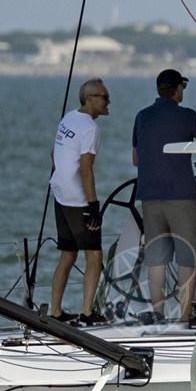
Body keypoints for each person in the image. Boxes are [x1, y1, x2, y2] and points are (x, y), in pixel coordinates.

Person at [131, 68, 196, 325]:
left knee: (156, 260)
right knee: (187, 258)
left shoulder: (142, 116)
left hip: (149, 198)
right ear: (178, 89)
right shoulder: (188, 116)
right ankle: (183, 319)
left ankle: (158, 315)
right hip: (181, 197)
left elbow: (136, 159)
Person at [48, 77, 111, 321]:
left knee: (68, 254)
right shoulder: (90, 128)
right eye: (105, 98)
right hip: (76, 200)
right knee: (94, 255)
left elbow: (53, 154)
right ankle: (87, 313)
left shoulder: (69, 118)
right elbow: (86, 168)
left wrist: (63, 179)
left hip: (60, 193)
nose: (109, 102)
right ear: (90, 99)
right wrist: (93, 205)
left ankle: (55, 312)